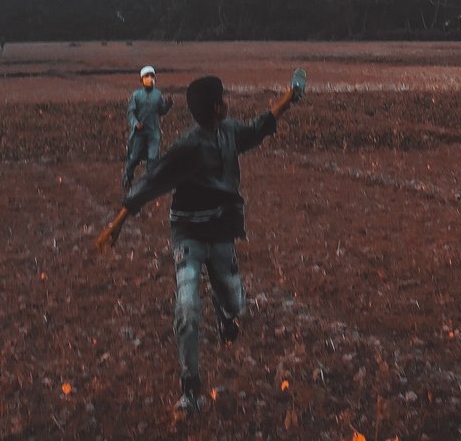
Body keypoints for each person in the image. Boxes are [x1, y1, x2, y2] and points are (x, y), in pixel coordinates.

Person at [96, 69, 306, 415]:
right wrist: (116, 225)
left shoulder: (229, 133)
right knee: (188, 309)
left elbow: (259, 127)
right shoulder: (188, 147)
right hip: (189, 234)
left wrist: (288, 98)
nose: (227, 103)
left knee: (235, 304)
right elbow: (150, 183)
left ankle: (226, 316)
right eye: (222, 99)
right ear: (214, 108)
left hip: (221, 231)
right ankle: (190, 388)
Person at [123, 66, 174, 192]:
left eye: (152, 76)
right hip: (139, 133)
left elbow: (161, 111)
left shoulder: (158, 95)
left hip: (153, 132)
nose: (149, 78)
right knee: (134, 158)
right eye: (146, 76)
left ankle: (149, 184)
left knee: (153, 158)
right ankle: (128, 178)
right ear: (141, 79)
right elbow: (131, 112)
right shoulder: (136, 95)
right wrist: (135, 123)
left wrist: (167, 105)